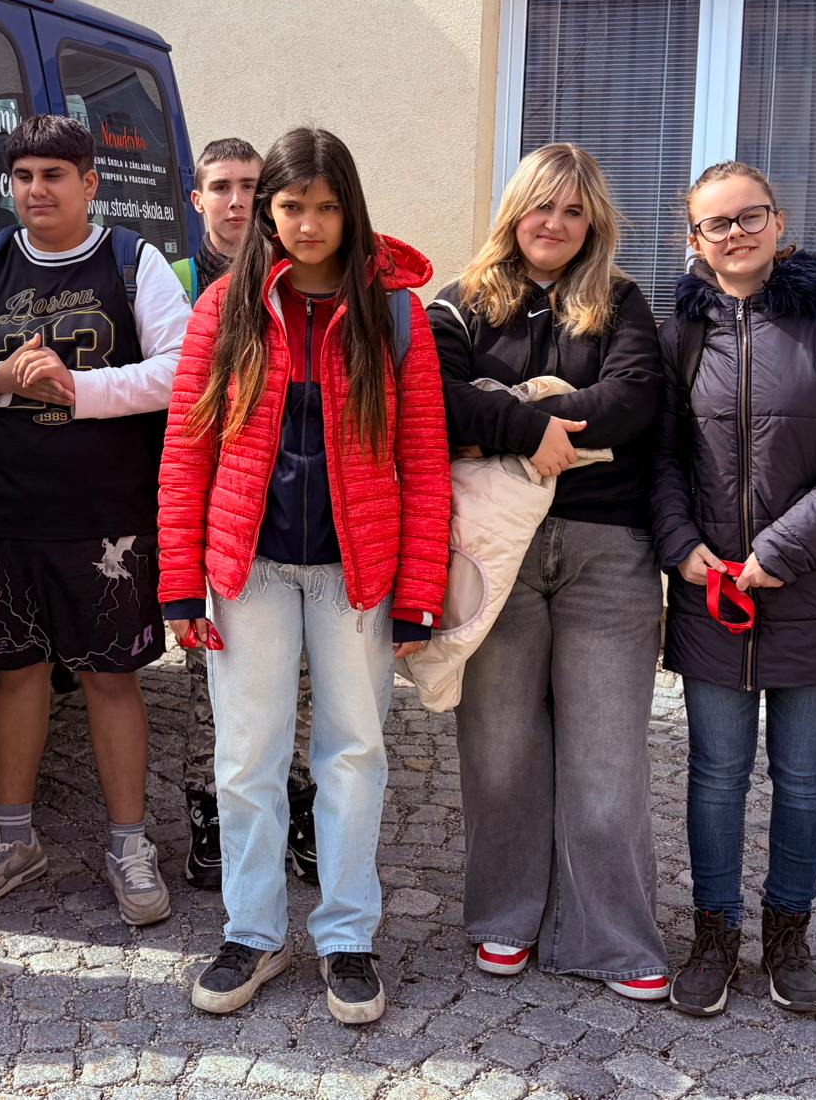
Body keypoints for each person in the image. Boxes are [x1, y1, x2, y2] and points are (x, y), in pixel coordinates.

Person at [160, 126, 450, 1025]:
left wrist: (421, 592)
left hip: (355, 574)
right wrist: (179, 581)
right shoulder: (226, 307)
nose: (309, 223)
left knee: (354, 754)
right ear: (267, 212)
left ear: (350, 208)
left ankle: (347, 934)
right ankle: (252, 930)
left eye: (326, 206)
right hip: (246, 570)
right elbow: (187, 449)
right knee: (247, 757)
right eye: (292, 206)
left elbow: (424, 460)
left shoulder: (394, 314)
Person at [0, 114, 190, 927]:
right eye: (24, 176)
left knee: (111, 678)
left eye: (55, 175)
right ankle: (12, 838)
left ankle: (129, 845)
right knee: (16, 673)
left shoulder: (132, 261)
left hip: (109, 518)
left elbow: (183, 367)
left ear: (89, 183)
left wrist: (80, 389)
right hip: (2, 514)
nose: (37, 190)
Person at [427, 142, 670, 1001]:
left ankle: (613, 936)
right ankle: (505, 916)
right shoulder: (460, 303)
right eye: (543, 206)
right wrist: (539, 429)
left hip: (608, 552)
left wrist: (507, 416)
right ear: (515, 210)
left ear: (592, 221)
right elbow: (437, 401)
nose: (556, 224)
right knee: (499, 748)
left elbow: (634, 402)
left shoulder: (623, 303)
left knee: (608, 758)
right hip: (495, 552)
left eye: (574, 210)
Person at [653, 161, 816, 1017]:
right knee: (716, 774)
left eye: (749, 216)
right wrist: (683, 548)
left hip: (813, 589)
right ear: (693, 240)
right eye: (716, 224)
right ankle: (714, 934)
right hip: (713, 593)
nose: (735, 234)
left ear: (778, 222)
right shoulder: (680, 336)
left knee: (803, 776)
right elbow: (662, 461)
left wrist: (779, 551)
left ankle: (788, 935)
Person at [172, 136, 318, 891]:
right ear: (197, 198)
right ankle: (210, 815)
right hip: (211, 515)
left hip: (291, 522)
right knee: (212, 681)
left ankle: (299, 807)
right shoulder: (176, 282)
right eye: (221, 186)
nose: (237, 201)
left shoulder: (302, 278)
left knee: (301, 681)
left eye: (250, 186)